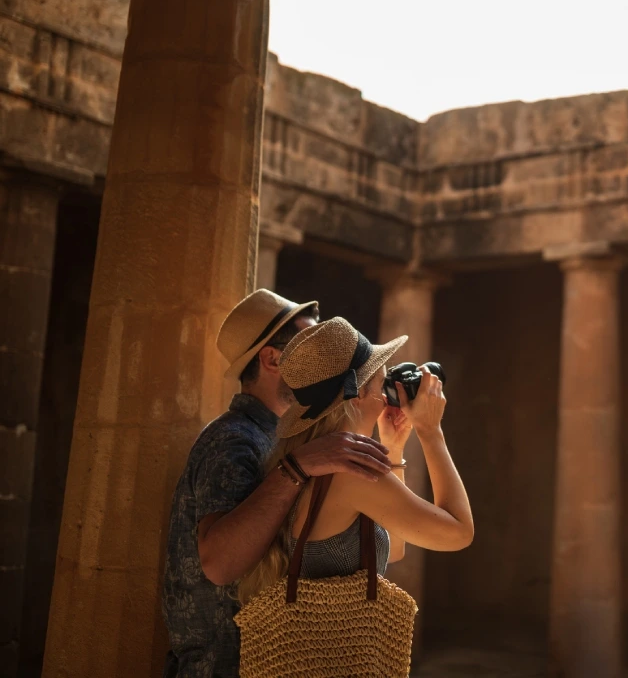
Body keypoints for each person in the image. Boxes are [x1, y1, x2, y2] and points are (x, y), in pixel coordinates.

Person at [162, 290, 396, 678]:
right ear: (273, 359)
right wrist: (298, 467)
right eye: (307, 341)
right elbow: (220, 564)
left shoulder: (278, 438)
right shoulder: (234, 439)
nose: (321, 351)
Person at [238, 316, 473, 612]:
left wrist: (393, 447)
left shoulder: (308, 456)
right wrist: (431, 432)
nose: (388, 392)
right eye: (383, 379)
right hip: (335, 656)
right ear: (360, 392)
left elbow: (394, 548)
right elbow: (458, 533)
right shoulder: (349, 471)